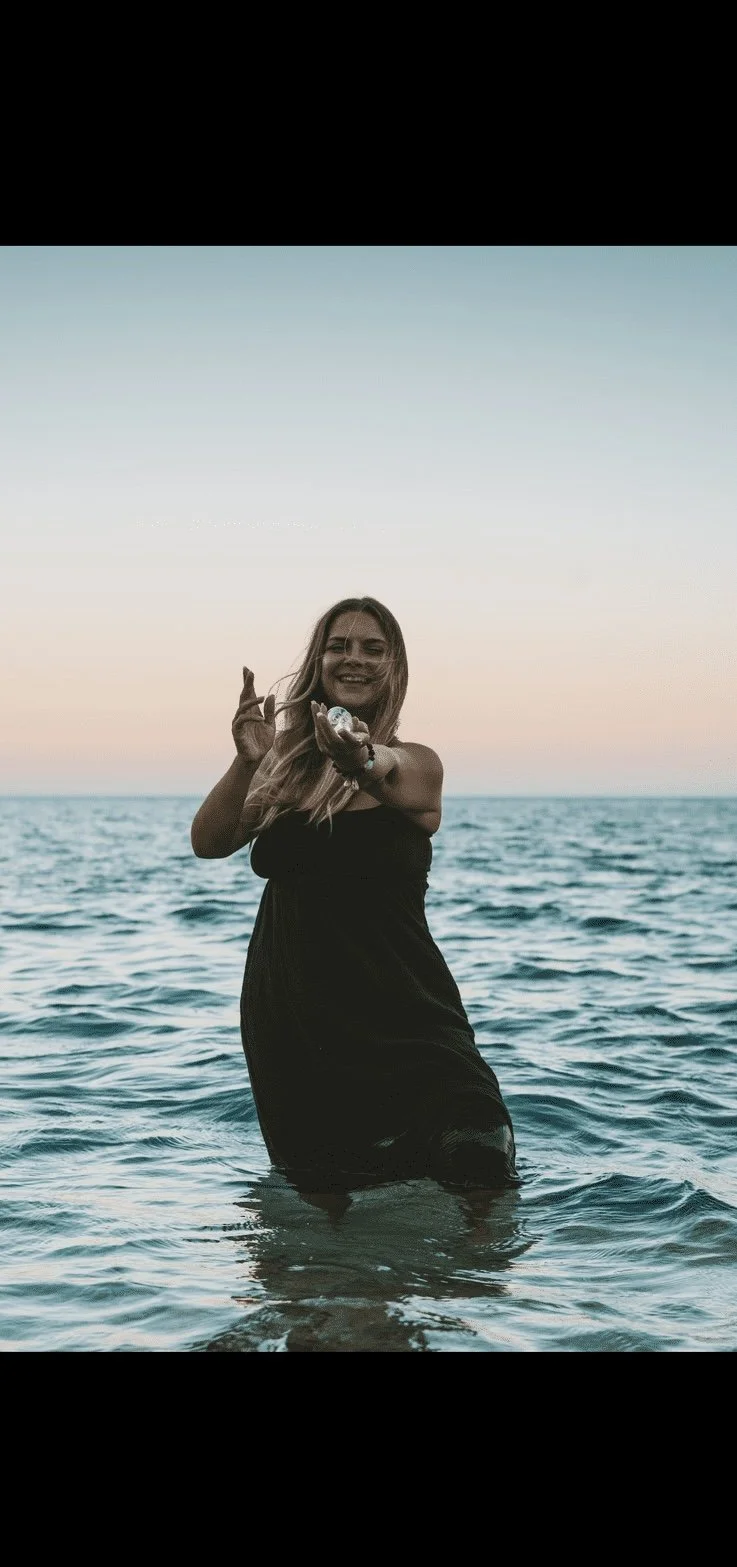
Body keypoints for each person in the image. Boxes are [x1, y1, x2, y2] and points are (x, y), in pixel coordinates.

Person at [191, 596, 520, 1194]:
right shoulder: (283, 772)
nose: (354, 659)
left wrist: (361, 756)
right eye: (339, 646)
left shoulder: (419, 764)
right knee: (325, 1205)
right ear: (318, 661)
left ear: (394, 666)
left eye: (373, 648)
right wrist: (247, 762)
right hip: (297, 1016)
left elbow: (385, 766)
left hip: (406, 1007)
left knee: (479, 1150)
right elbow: (209, 842)